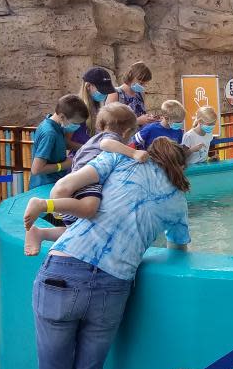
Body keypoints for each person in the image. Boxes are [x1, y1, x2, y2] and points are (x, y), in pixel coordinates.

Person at [32, 137, 191, 369]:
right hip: (113, 287)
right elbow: (179, 248)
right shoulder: (177, 201)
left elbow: (64, 186)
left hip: (64, 271)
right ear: (180, 167)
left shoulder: (120, 160)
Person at [23, 103, 147, 256]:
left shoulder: (94, 138)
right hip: (86, 180)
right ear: (127, 131)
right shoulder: (110, 138)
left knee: (76, 230)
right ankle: (43, 204)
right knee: (89, 209)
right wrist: (133, 153)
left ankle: (40, 233)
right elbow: (107, 144)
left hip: (74, 178)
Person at [30, 95, 90, 190]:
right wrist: (63, 165)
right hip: (45, 186)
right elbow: (36, 169)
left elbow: (63, 143)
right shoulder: (49, 134)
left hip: (55, 182)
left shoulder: (56, 125)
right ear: (62, 116)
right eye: (75, 123)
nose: (78, 127)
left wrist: (87, 148)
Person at [68, 67, 117, 150]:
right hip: (81, 156)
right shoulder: (75, 108)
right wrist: (89, 148)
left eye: (106, 91)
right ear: (88, 86)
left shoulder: (98, 106)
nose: (105, 94)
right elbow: (66, 142)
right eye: (102, 91)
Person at [107, 61, 156, 127]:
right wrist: (137, 121)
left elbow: (140, 114)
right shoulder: (115, 93)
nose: (144, 86)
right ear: (131, 77)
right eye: (141, 83)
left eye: (145, 83)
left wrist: (148, 118)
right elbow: (109, 121)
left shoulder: (140, 94)